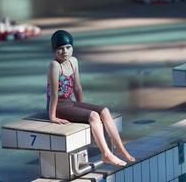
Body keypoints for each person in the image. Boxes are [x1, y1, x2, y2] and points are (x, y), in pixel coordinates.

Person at [47, 30, 135, 167]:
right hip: (59, 107)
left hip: (70, 103)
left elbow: (77, 87)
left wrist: (81, 107)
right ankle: (106, 154)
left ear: (72, 47)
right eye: (60, 48)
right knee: (93, 116)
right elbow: (53, 94)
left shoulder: (73, 61)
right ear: (54, 50)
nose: (65, 51)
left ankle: (120, 147)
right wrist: (52, 116)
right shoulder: (54, 66)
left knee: (105, 110)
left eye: (68, 47)